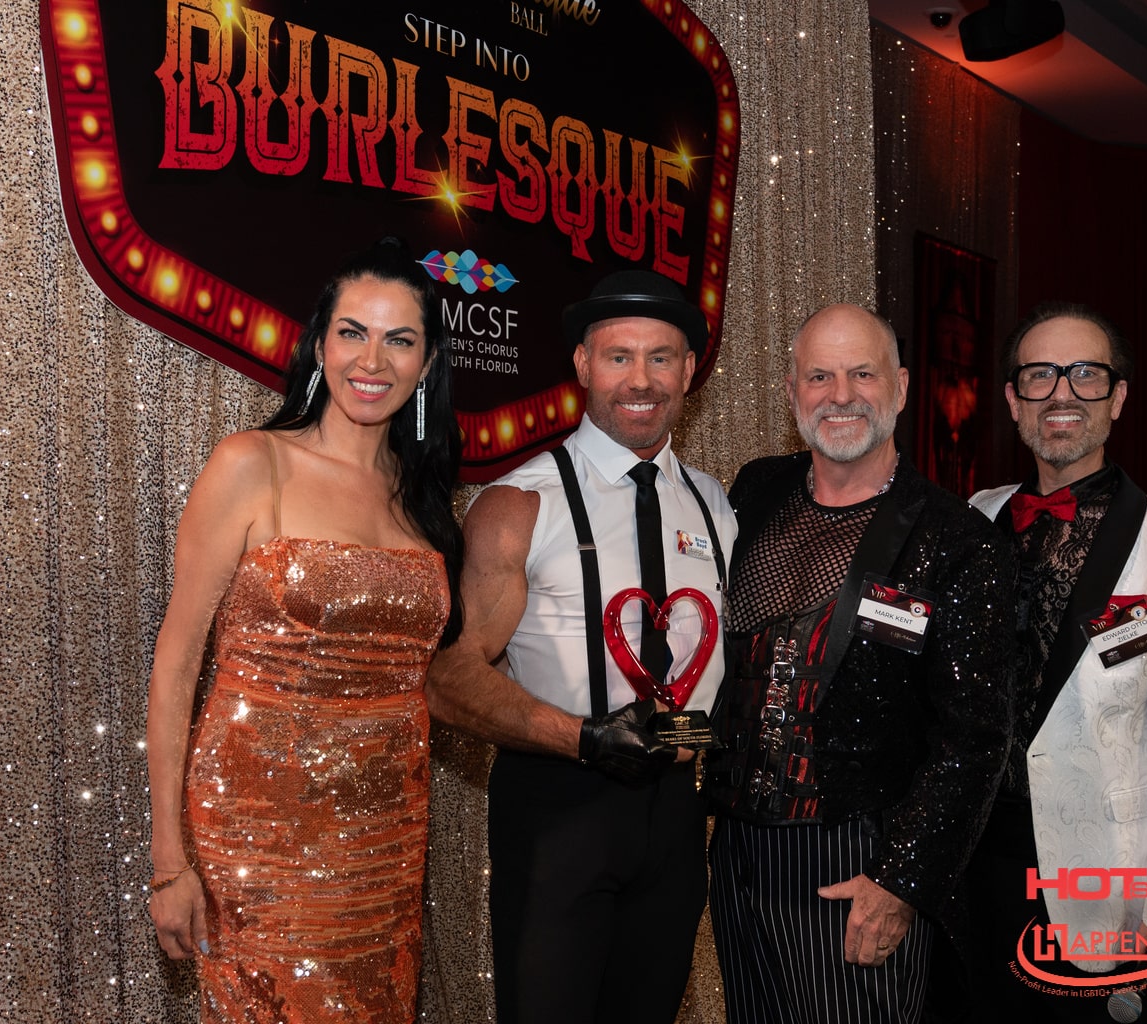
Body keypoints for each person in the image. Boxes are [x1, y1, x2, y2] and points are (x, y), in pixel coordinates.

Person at [145, 237, 463, 1022]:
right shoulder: (252, 463)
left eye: (400, 340)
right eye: (352, 332)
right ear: (320, 345)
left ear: (426, 365)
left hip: (386, 843)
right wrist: (168, 860)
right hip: (257, 836)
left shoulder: (419, 499)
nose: (372, 360)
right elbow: (177, 662)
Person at [424, 269, 737, 1024]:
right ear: (582, 365)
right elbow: (448, 676)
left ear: (689, 370)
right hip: (557, 809)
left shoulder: (715, 505)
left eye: (661, 358)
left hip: (677, 819)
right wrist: (586, 739)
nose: (641, 379)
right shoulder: (519, 502)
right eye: (618, 356)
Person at [704, 304, 1015, 1024]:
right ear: (791, 392)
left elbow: (974, 738)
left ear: (900, 387)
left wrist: (901, 878)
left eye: (861, 374)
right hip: (738, 850)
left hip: (859, 857)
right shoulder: (755, 491)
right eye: (819, 376)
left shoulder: (957, 538)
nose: (839, 395)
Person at [964, 301, 1147, 1021]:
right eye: (1039, 375)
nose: (1061, 392)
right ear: (1012, 399)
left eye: (1085, 374)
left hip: (1098, 883)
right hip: (963, 872)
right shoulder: (973, 517)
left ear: (1117, 397)